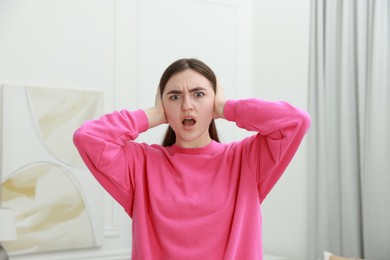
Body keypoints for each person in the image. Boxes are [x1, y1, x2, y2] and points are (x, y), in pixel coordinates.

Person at [73, 58, 311, 259]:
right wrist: (153, 115)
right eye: (175, 97)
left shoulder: (246, 160)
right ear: (164, 105)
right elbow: (87, 137)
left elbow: (295, 121)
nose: (187, 105)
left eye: (198, 94)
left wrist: (226, 108)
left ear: (214, 101)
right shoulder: (141, 165)